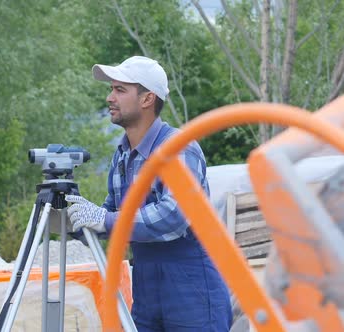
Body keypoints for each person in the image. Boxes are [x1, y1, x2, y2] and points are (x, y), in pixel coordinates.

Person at [65, 56, 232, 331]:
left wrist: (103, 219)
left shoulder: (179, 148)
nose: (110, 97)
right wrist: (74, 221)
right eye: (112, 89)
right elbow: (111, 218)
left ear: (147, 99)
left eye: (120, 90)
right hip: (145, 286)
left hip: (191, 288)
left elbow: (174, 215)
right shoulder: (122, 156)